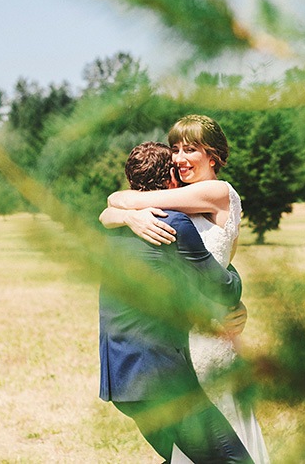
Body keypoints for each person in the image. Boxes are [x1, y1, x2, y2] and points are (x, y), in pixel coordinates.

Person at [100, 115, 270, 463]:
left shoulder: (219, 192)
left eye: (190, 149)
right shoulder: (174, 201)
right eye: (175, 149)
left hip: (208, 337)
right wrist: (122, 216)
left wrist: (124, 209)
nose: (179, 157)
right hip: (176, 340)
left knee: (215, 443)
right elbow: (118, 207)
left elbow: (121, 198)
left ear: (214, 157)